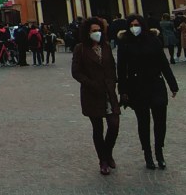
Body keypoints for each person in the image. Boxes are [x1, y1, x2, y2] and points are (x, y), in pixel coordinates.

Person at [117, 15, 178, 170]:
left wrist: (173, 84)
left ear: (142, 25)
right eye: (131, 25)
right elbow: (121, 69)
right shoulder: (124, 43)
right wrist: (122, 91)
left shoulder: (153, 40)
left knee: (160, 121)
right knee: (143, 122)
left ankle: (159, 151)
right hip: (137, 87)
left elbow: (163, 63)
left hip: (156, 84)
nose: (134, 27)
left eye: (136, 24)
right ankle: (148, 153)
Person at [71, 17, 120, 175]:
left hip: (108, 92)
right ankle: (103, 160)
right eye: (94, 31)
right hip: (91, 93)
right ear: (87, 32)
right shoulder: (81, 48)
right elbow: (76, 72)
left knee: (114, 125)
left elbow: (112, 66)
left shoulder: (105, 46)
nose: (97, 33)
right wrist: (90, 83)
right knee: (98, 128)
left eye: (99, 30)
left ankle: (108, 152)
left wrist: (113, 82)